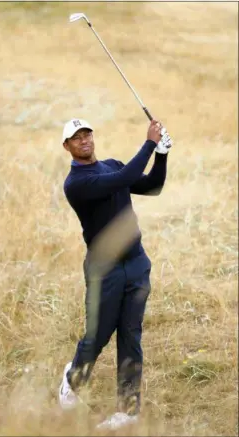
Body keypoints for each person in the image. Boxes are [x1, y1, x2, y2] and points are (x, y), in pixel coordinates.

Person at [58, 117, 171, 429]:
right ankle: (72, 380)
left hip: (136, 262)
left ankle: (128, 410)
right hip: (105, 270)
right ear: (67, 146)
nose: (84, 140)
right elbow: (125, 178)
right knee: (98, 335)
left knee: (131, 334)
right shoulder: (77, 184)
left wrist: (161, 154)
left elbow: (152, 186)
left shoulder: (111, 165)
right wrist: (149, 142)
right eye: (76, 138)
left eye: (87, 134)